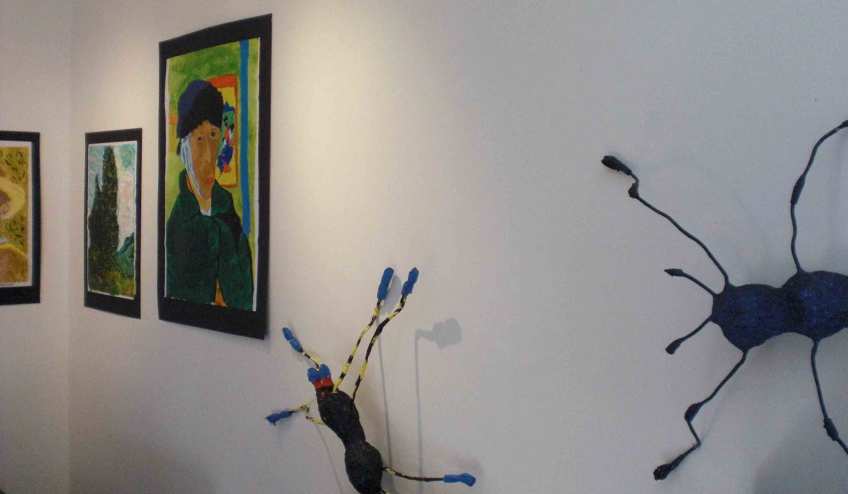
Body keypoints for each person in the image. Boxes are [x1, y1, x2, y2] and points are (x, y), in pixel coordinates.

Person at [166, 79, 253, 309]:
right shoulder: (178, 223)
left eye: (213, 136)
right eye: (199, 139)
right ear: (184, 148)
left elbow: (246, 292)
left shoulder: (227, 211)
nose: (207, 155)